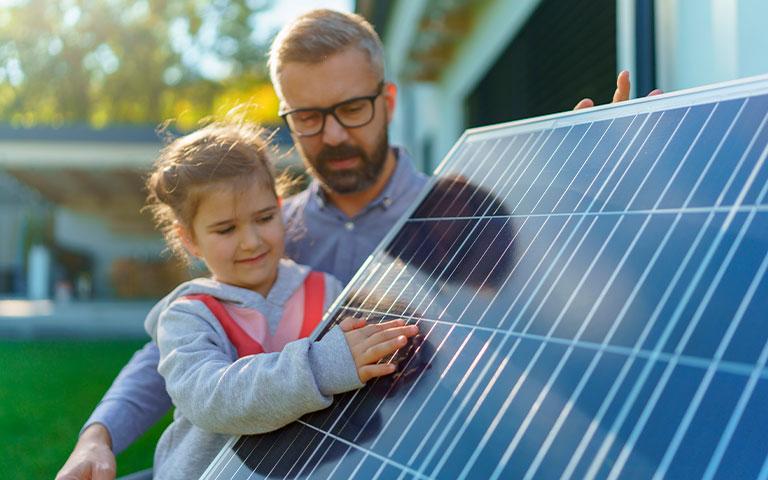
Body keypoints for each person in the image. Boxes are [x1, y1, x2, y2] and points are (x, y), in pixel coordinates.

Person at [56, 9, 654, 480]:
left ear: (388, 101)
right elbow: (173, 352)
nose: (334, 134)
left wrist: (603, 194)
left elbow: (564, 312)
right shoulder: (266, 231)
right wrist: (98, 434)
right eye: (309, 117)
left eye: (351, 108)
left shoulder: (466, 216)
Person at [136, 121, 418, 479]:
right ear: (189, 238)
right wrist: (323, 366)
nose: (251, 240)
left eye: (265, 217)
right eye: (226, 229)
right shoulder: (188, 317)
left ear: (280, 207)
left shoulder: (327, 291)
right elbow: (212, 399)